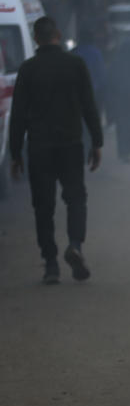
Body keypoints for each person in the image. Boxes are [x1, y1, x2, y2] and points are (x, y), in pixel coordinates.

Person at [8, 17, 103, 284]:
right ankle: (75, 245)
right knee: (75, 200)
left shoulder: (28, 69)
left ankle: (50, 264)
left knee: (43, 207)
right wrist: (97, 141)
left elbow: (18, 116)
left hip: (39, 148)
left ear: (36, 38)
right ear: (58, 35)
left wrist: (15, 153)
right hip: (71, 145)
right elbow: (89, 105)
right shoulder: (75, 64)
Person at [106, 40, 130, 163]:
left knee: (123, 126)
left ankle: (125, 153)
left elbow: (110, 82)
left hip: (121, 100)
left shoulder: (115, 63)